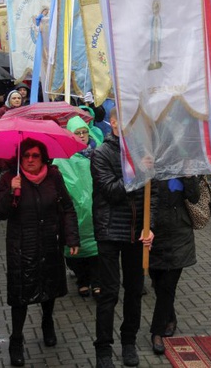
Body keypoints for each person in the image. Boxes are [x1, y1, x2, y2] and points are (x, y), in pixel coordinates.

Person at [0, 138, 81, 367]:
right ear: (19, 157)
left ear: (43, 158)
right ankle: (16, 339)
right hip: (22, 247)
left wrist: (71, 237)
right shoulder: (9, 178)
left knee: (49, 288)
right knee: (20, 295)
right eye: (26, 156)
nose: (30, 160)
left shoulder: (54, 177)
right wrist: (11, 192)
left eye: (35, 156)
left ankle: (48, 321)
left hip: (50, 243)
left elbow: (67, 208)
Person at [90, 107, 155, 368]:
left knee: (135, 290)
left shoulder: (143, 152)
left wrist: (151, 226)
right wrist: (138, 171)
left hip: (136, 231)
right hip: (109, 231)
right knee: (108, 293)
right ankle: (103, 347)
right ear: (113, 122)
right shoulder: (101, 153)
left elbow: (155, 194)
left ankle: (128, 341)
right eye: (123, 120)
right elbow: (111, 191)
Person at [149, 176, 200, 355]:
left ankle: (157, 332)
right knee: (157, 282)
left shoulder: (183, 163)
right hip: (153, 234)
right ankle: (170, 317)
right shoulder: (147, 162)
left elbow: (195, 197)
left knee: (167, 286)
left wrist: (189, 177)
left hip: (179, 235)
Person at [54, 116, 99, 298]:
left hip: (95, 209)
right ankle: (82, 279)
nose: (82, 136)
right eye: (77, 133)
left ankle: (96, 281)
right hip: (72, 210)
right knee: (74, 247)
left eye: (84, 132)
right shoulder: (62, 158)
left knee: (96, 247)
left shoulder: (97, 152)